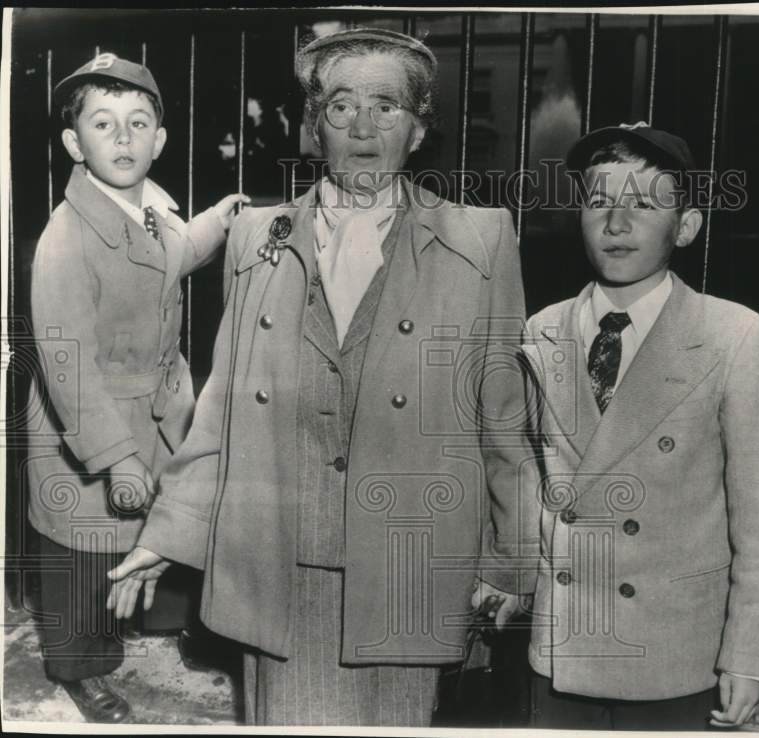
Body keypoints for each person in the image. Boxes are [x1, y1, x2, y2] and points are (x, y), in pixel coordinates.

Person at [108, 28, 539, 727]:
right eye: (341, 107)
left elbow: (504, 421)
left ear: (420, 127)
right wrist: (168, 532)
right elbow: (221, 411)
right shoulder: (257, 238)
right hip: (280, 567)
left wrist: (510, 559)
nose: (363, 128)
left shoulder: (480, 240)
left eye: (387, 107)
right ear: (314, 127)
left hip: (412, 569)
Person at [517, 123, 759, 730]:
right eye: (598, 201)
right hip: (561, 644)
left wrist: (748, 655)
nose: (616, 222)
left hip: (675, 651)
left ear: (686, 227)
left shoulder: (734, 337)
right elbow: (528, 482)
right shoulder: (543, 331)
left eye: (643, 203)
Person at [26, 53, 247, 722]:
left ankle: (167, 626)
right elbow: (66, 360)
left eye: (137, 122)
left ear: (159, 140)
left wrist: (219, 217)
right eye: (103, 123)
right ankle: (79, 666)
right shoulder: (66, 238)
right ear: (74, 143)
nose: (122, 139)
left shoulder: (149, 212)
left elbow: (175, 253)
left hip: (155, 410)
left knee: (164, 523)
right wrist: (115, 456)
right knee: (85, 552)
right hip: (88, 422)